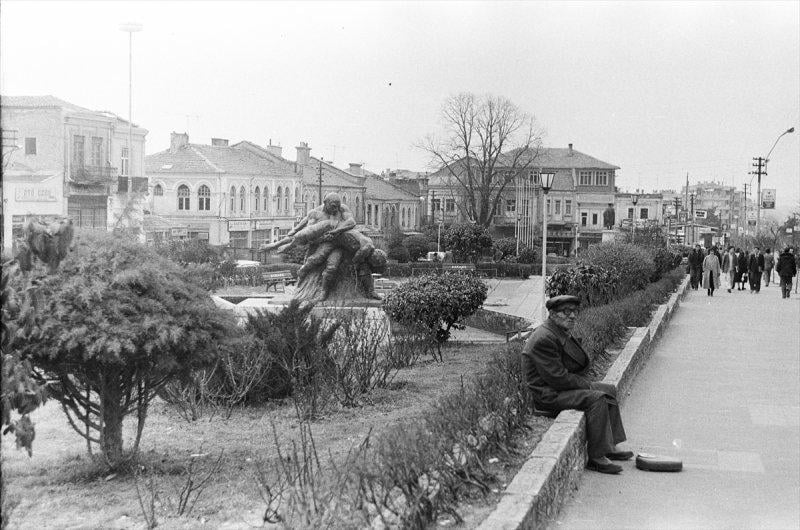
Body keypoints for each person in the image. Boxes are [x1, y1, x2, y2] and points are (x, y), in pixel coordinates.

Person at [521, 295, 631, 475]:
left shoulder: (557, 331)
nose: (572, 316)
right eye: (566, 312)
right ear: (553, 314)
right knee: (597, 398)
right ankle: (596, 456)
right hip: (547, 396)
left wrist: (586, 384)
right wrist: (587, 386)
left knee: (608, 389)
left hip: (556, 389)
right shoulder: (544, 338)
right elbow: (558, 378)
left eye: (574, 312)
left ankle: (610, 444)